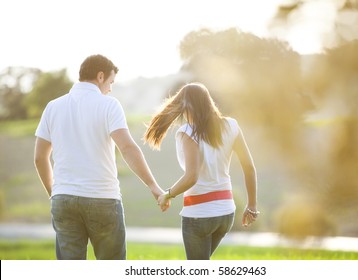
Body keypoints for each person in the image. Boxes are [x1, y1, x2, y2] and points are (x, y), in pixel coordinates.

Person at [34, 54, 165, 260]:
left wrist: (55, 193)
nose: (110, 89)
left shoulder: (53, 107)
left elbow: (40, 158)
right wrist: (153, 186)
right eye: (111, 82)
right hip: (102, 199)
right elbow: (127, 148)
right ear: (101, 76)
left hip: (63, 199)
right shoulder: (109, 105)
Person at [144, 82, 259, 260]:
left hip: (199, 215)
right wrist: (251, 206)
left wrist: (167, 195)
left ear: (185, 106)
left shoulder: (188, 131)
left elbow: (192, 176)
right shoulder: (231, 126)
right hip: (226, 214)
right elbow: (249, 168)